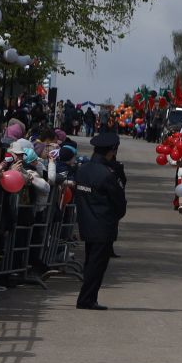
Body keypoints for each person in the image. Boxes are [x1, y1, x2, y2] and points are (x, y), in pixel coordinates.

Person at [70, 133, 127, 310]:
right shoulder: (107, 174)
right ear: (112, 151)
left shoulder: (82, 169)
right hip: (103, 224)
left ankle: (88, 297)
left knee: (91, 262)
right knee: (97, 265)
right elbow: (119, 203)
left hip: (86, 222)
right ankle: (86, 299)